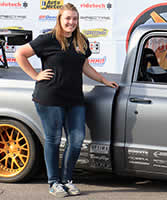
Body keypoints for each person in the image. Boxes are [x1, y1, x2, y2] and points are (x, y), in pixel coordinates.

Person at [15, 3, 118, 198]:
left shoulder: (82, 41)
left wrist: (103, 80)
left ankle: (67, 180)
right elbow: (20, 54)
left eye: (75, 18)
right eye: (68, 18)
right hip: (50, 98)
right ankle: (54, 182)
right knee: (53, 140)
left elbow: (85, 66)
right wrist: (35, 75)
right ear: (60, 20)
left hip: (74, 99)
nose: (71, 22)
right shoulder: (49, 39)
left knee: (77, 139)